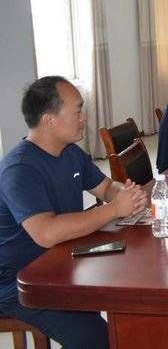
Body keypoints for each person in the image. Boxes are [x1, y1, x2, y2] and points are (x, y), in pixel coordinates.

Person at [0, 77, 147, 348]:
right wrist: (115, 208)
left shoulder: (70, 152)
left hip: (63, 261)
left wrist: (125, 193)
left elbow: (105, 187)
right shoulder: (19, 169)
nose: (83, 118)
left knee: (138, 297)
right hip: (23, 281)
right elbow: (46, 233)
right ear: (49, 120)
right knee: (102, 341)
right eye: (77, 111)